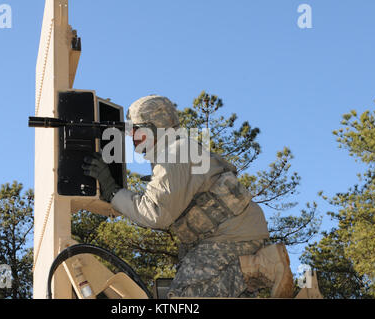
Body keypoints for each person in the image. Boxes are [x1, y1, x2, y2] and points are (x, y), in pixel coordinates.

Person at [82, 95, 294, 298]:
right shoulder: (179, 149)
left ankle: (261, 267)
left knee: (186, 298)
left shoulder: (173, 154)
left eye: (135, 128)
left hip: (230, 237)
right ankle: (257, 268)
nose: (131, 135)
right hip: (233, 234)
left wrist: (112, 191)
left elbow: (156, 214)